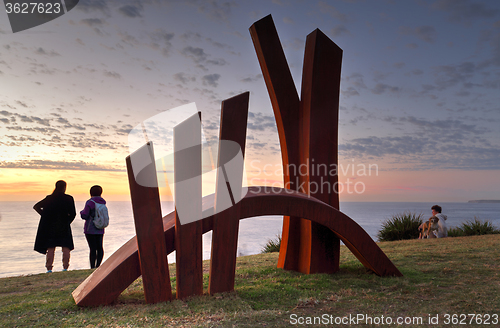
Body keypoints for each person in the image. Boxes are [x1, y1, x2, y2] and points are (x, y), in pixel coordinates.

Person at [33, 180, 76, 273]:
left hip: (50, 226)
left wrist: (45, 216)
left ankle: (49, 268)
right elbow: (73, 213)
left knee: (50, 248)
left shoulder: (50, 198)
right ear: (65, 187)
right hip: (64, 225)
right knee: (66, 247)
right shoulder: (68, 198)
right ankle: (65, 267)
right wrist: (68, 221)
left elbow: (36, 206)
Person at [80, 185, 106, 269]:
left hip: (90, 229)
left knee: (92, 248)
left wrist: (81, 212)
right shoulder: (102, 202)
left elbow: (85, 215)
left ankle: (92, 267)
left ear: (91, 192)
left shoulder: (90, 202)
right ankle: (98, 265)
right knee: (100, 247)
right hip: (100, 228)